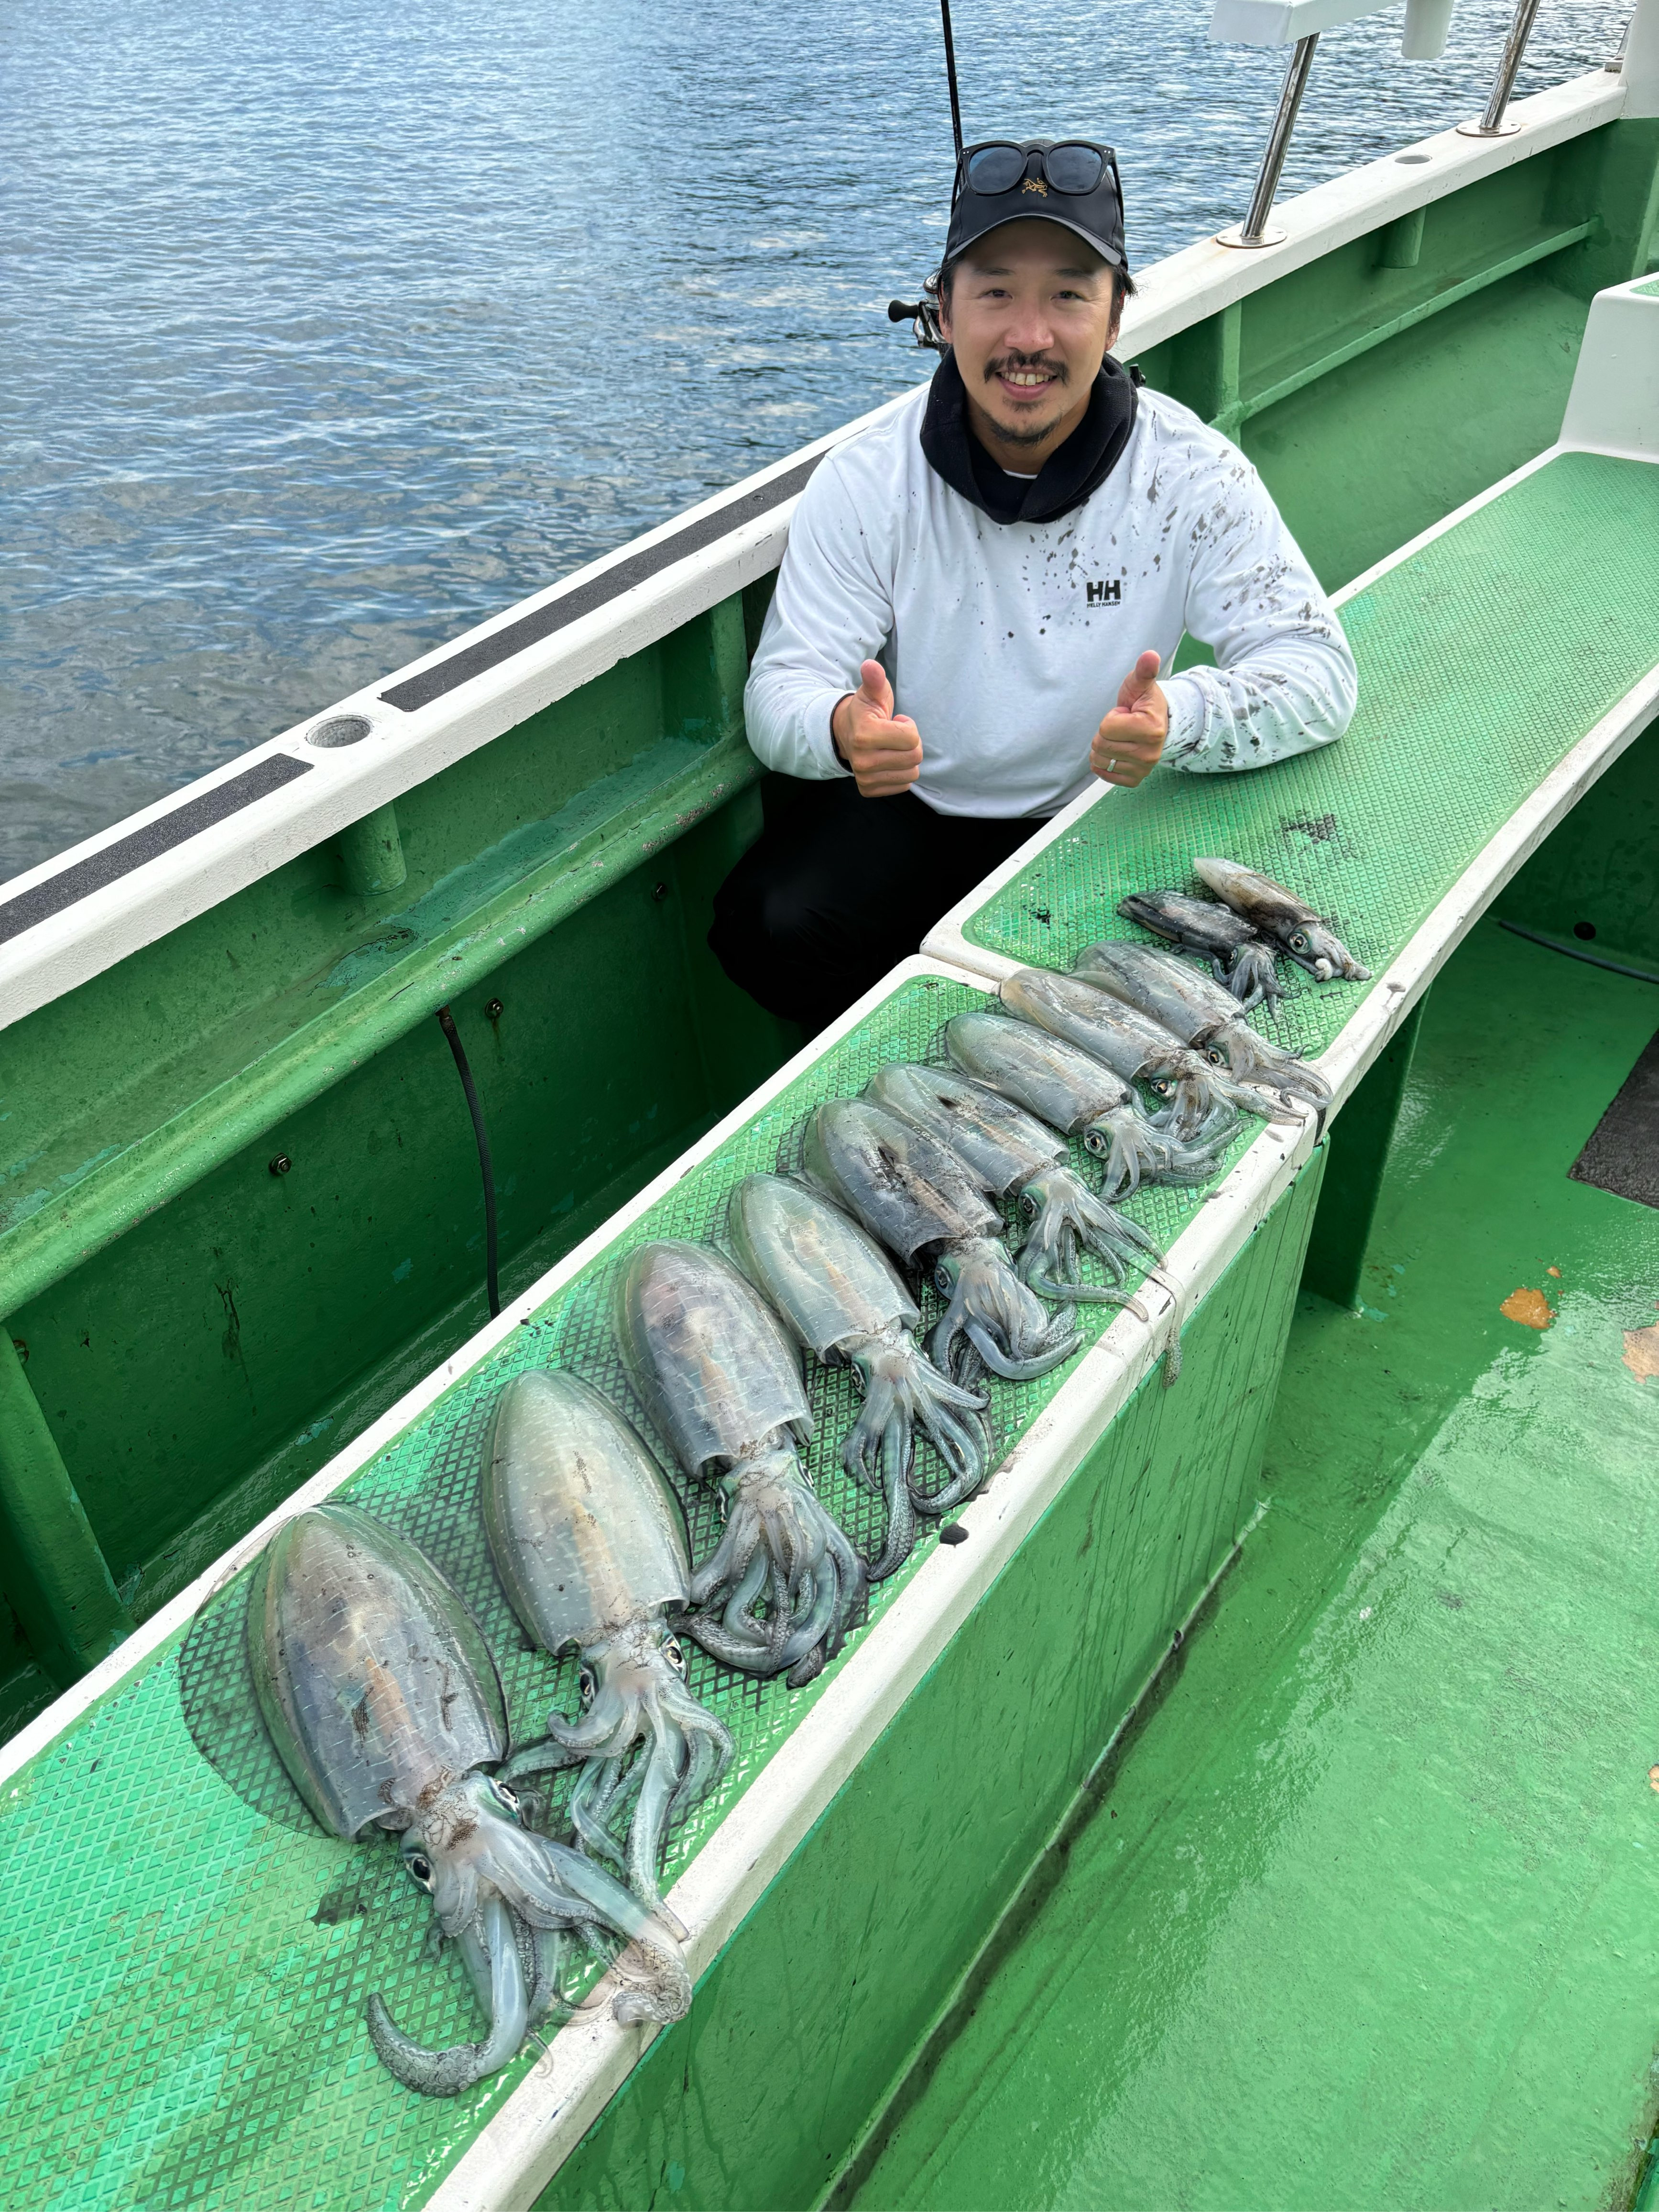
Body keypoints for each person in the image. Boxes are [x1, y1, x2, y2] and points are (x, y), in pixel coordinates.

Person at [709, 139, 1357, 1034]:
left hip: (1109, 807)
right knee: (765, 924)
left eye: (1067, 293)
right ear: (942, 311)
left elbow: (1319, 673)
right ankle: (919, 1071)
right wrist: (842, 731)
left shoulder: (1191, 473)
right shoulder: (867, 478)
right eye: (994, 292)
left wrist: (1181, 718)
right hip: (918, 802)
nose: (1028, 336)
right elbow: (780, 691)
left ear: (1116, 315)